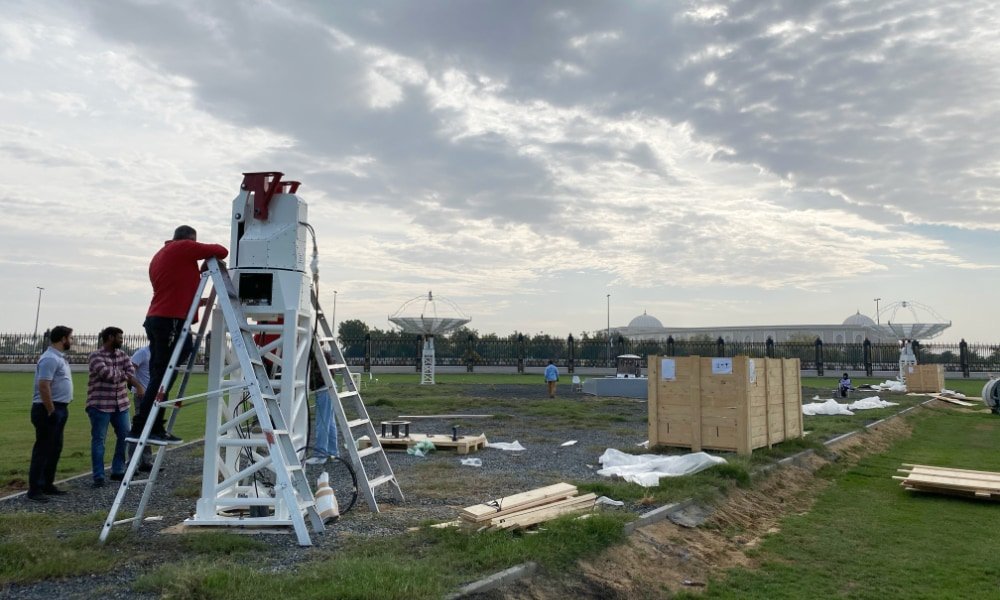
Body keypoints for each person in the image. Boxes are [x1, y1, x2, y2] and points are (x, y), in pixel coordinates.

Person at [130, 225, 228, 444]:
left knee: (161, 373)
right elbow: (221, 250)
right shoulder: (182, 248)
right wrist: (203, 254)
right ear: (190, 240)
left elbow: (178, 288)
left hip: (160, 318)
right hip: (170, 320)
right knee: (165, 373)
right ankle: (144, 425)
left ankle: (148, 425)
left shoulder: (162, 255)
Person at [88, 327, 145, 488]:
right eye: (119, 337)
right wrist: (124, 374)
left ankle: (117, 470)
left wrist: (124, 374)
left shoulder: (123, 355)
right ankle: (98, 476)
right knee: (99, 440)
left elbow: (131, 371)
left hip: (121, 404)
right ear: (110, 337)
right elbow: (109, 375)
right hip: (100, 405)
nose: (122, 340)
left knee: (125, 436)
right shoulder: (95, 356)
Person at [28, 325, 74, 502]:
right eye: (70, 338)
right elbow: (43, 385)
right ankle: (35, 489)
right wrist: (51, 410)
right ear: (63, 339)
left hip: (60, 407)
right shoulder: (49, 359)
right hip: (47, 408)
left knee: (55, 448)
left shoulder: (59, 358)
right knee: (43, 448)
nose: (71, 341)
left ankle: (47, 483)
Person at [306, 349, 340, 465]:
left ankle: (320, 455)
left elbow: (315, 375)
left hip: (324, 389)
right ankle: (333, 453)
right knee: (329, 423)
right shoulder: (323, 353)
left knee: (322, 423)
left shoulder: (315, 355)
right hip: (328, 387)